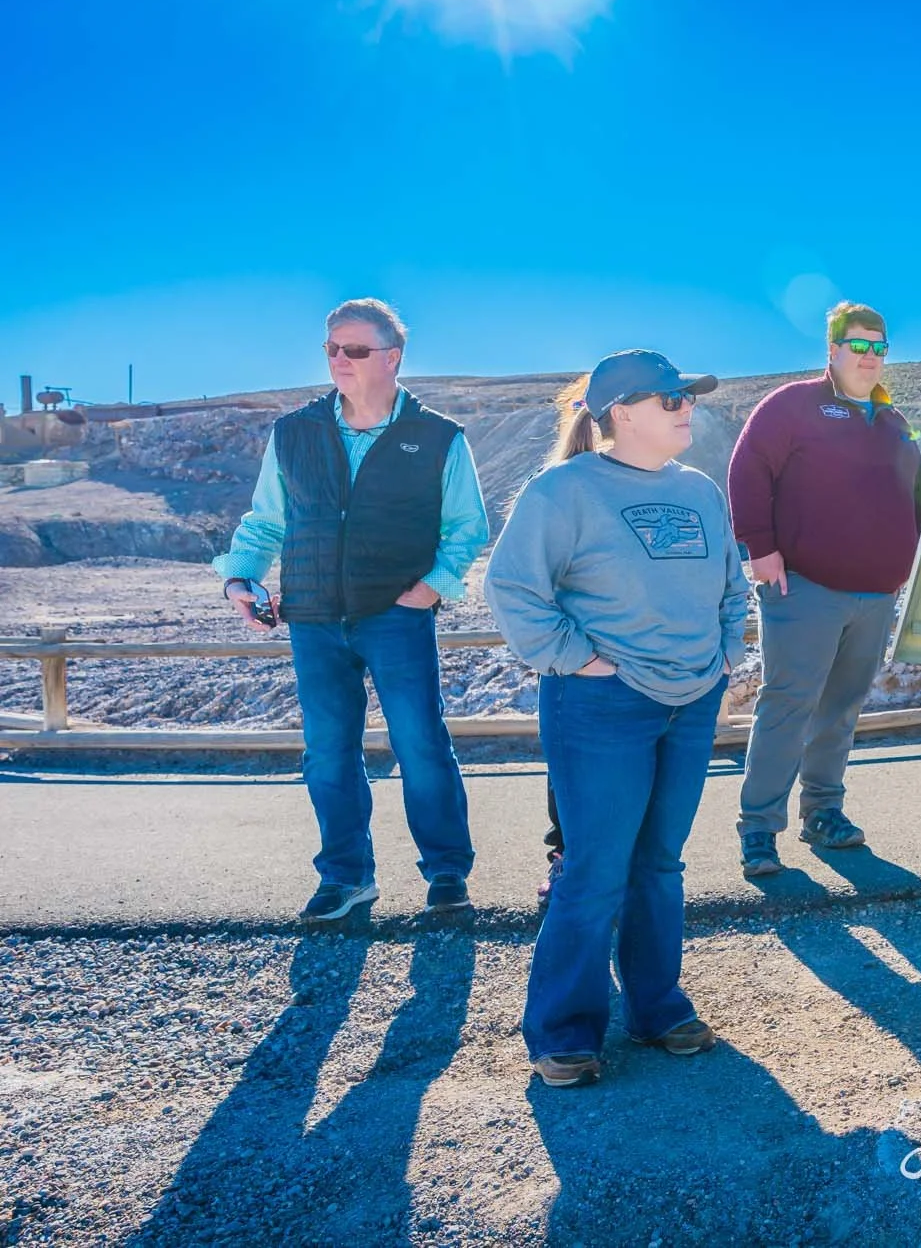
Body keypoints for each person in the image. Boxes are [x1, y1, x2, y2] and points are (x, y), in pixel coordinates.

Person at [485, 350, 746, 1088]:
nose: (685, 408)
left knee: (659, 863)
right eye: (670, 399)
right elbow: (511, 588)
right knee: (595, 868)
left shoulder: (698, 490)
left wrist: (726, 653)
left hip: (691, 700)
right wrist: (578, 659)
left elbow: (731, 583)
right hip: (602, 704)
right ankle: (565, 1031)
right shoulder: (563, 490)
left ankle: (657, 1007)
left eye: (687, 396)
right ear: (621, 412)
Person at [215, 298, 486, 924]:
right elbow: (265, 521)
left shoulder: (439, 436)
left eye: (355, 349)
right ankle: (345, 877)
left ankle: (447, 874)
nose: (340, 359)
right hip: (312, 617)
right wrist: (239, 579)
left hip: (396, 615)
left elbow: (467, 527)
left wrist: (435, 586)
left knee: (420, 743)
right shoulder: (293, 433)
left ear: (392, 358)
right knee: (327, 752)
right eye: (331, 348)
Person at [727, 301, 921, 877]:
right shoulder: (791, 405)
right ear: (833, 350)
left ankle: (823, 811)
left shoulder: (894, 421)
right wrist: (760, 548)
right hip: (804, 588)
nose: (869, 356)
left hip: (875, 594)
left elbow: (920, 491)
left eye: (878, 346)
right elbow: (748, 469)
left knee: (841, 708)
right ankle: (759, 829)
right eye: (858, 345)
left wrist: (908, 555)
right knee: (788, 704)